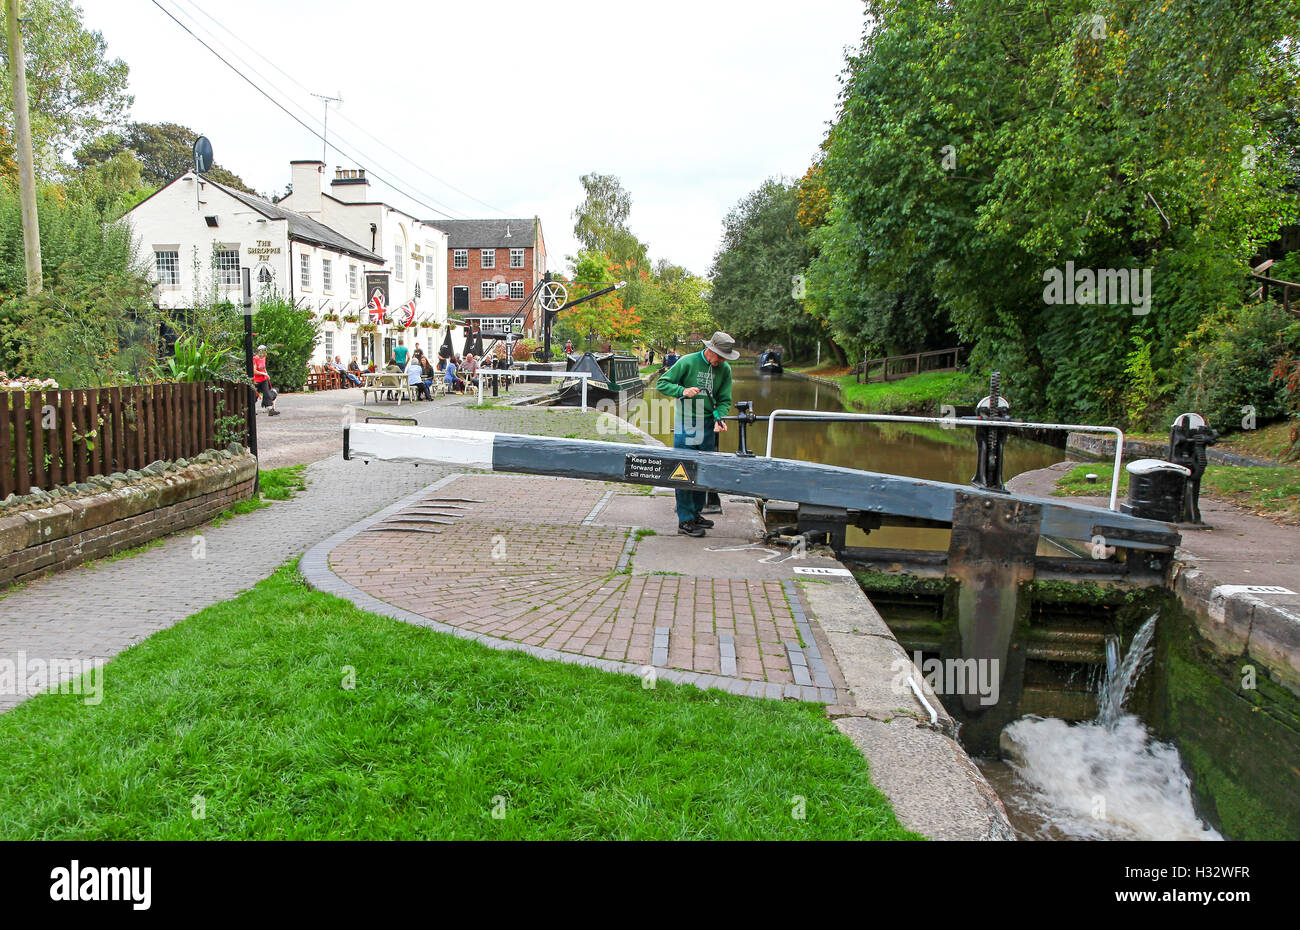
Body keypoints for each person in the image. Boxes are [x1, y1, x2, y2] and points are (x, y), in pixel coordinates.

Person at [655, 331, 737, 536]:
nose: (720, 361)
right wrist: (682, 391)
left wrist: (721, 418)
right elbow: (662, 383)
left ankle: (696, 513)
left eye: (724, 357)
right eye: (719, 356)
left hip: (708, 424)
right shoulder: (688, 362)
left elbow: (725, 399)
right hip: (686, 423)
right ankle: (685, 520)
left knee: (703, 471)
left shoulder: (724, 369)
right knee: (683, 472)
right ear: (710, 350)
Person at [252, 345, 280, 416]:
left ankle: (270, 410)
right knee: (254, 395)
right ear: (260, 351)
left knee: (267, 394)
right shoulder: (255, 359)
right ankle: (252, 410)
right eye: (264, 351)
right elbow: (254, 371)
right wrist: (263, 373)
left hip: (264, 379)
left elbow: (264, 368)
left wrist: (267, 374)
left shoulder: (264, 358)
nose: (265, 353)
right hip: (256, 380)